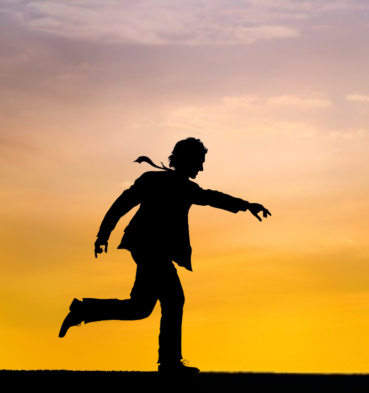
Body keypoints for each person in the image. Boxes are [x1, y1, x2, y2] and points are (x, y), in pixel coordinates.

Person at [58, 138, 272, 375]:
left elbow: (213, 197)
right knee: (174, 299)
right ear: (186, 160)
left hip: (151, 251)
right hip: (148, 248)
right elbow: (122, 204)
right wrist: (103, 234)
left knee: (139, 308)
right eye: (199, 162)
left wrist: (246, 205)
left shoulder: (187, 189)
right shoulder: (153, 180)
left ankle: (83, 311)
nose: (200, 168)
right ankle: (169, 362)